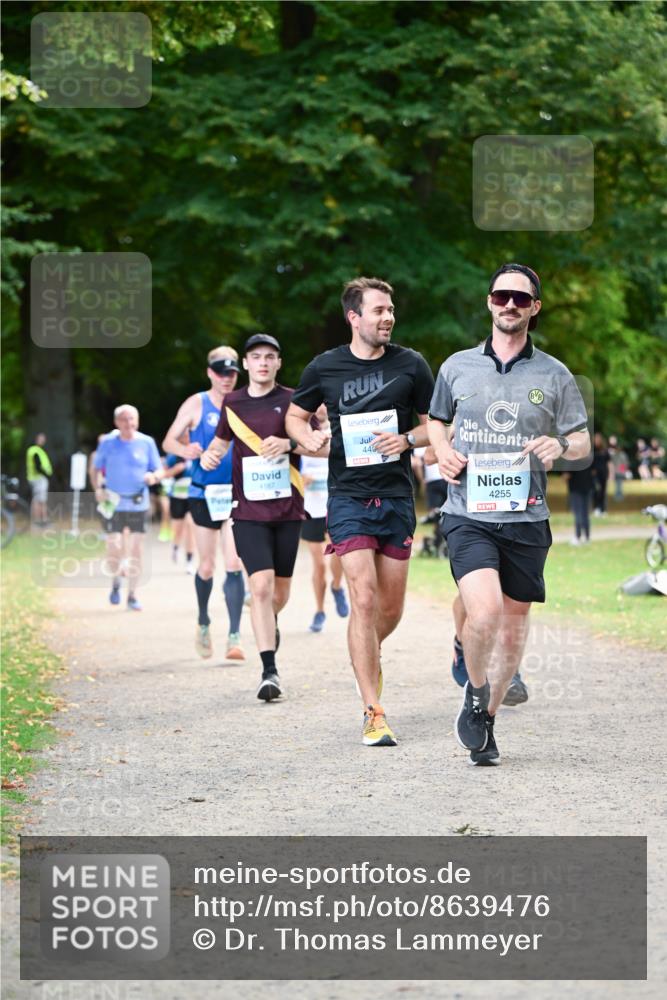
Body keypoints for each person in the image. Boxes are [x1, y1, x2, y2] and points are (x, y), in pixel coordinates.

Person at [428, 263, 590, 766]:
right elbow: (436, 422)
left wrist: (559, 444)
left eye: (521, 299)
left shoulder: (555, 373)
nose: (510, 305)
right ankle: (475, 691)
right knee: (487, 612)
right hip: (468, 512)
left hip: (527, 517)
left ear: (534, 308)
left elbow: (582, 439)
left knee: (514, 626)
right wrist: (443, 451)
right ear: (490, 302)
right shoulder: (456, 367)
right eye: (502, 296)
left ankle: (487, 717)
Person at [286, 277, 435, 746]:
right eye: (378, 311)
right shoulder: (324, 367)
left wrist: (409, 439)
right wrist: (306, 437)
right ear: (354, 317)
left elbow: (437, 427)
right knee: (364, 599)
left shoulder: (411, 365)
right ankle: (373, 710)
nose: (388, 317)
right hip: (347, 497)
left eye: (391, 310)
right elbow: (295, 414)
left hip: (395, 498)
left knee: (389, 609)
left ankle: (365, 656)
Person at [200, 334, 329, 701]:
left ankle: (268, 623)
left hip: (288, 509)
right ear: (245, 363)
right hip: (248, 512)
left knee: (279, 593)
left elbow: (325, 447)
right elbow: (220, 444)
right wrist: (209, 456)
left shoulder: (294, 401)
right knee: (260, 587)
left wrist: (290, 444)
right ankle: (268, 670)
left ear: (278, 363)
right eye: (255, 357)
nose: (262, 363)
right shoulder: (233, 402)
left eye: (270, 357)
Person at [163, 347, 246, 663]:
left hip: (236, 493)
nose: (227, 379)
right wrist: (190, 452)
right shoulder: (197, 403)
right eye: (221, 373)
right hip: (203, 493)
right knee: (207, 565)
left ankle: (235, 636)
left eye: (232, 373)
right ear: (210, 373)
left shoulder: (243, 402)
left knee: (234, 562)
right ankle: (203, 621)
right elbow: (169, 441)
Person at [93, 405, 167, 610]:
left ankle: (132, 595)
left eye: (132, 419)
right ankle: (116, 581)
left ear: (138, 420)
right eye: (124, 420)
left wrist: (153, 477)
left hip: (137, 502)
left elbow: (160, 470)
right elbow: (96, 468)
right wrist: (98, 488)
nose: (129, 424)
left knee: (136, 549)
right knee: (114, 546)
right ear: (117, 422)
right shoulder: (108, 443)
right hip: (112, 501)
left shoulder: (146, 442)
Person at [300, 404, 349, 632]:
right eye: (316, 402)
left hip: (335, 503)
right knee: (318, 565)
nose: (320, 407)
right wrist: (301, 478)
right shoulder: (299, 431)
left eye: (325, 402)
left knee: (338, 552)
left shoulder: (341, 429)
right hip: (311, 506)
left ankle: (337, 586)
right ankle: (319, 611)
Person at [163, 448, 196, 573]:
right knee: (178, 531)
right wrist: (175, 470)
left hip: (193, 497)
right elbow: (164, 474)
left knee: (190, 526)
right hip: (177, 497)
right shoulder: (174, 455)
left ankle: (189, 561)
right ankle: (175, 547)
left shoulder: (199, 452)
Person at [26, 432, 52, 526]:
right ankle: (40, 520)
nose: (43, 440)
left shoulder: (36, 450)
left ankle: (40, 520)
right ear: (37, 439)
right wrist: (46, 474)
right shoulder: (35, 451)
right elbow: (37, 466)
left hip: (37, 478)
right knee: (39, 500)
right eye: (41, 439)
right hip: (38, 478)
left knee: (39, 499)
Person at [567, 465, 594, 545]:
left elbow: (567, 475)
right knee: (585, 514)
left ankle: (577, 536)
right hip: (587, 487)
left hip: (575, 489)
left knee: (578, 513)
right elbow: (593, 472)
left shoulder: (572, 460)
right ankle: (587, 537)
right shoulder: (588, 458)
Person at [591, 431, 610, 516]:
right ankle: (596, 508)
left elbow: (609, 463)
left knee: (602, 491)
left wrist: (610, 474)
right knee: (596, 491)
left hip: (603, 474)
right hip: (594, 475)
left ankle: (602, 509)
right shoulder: (591, 450)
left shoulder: (605, 451)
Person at [608, 435, 630, 502]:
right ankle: (618, 497)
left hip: (619, 471)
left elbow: (624, 463)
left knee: (619, 484)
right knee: (617, 485)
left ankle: (619, 497)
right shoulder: (608, 451)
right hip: (613, 471)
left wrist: (622, 471)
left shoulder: (621, 454)